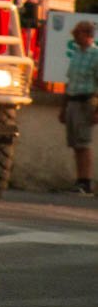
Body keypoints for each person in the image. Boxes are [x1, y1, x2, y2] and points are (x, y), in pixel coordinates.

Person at [61, 19, 98, 194]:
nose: (75, 37)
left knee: (84, 143)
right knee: (75, 143)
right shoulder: (76, 54)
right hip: (73, 101)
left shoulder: (95, 55)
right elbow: (70, 81)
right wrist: (63, 107)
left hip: (86, 102)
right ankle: (79, 180)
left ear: (88, 35)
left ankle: (87, 182)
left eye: (78, 33)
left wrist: (97, 111)